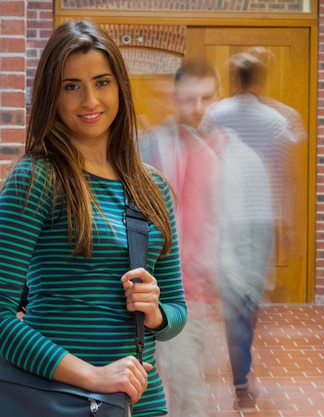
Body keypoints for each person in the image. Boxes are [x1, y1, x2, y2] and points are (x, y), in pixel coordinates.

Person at [0, 20, 187, 417]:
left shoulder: (151, 187)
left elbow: (176, 311)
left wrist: (155, 313)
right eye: (72, 86)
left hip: (141, 402)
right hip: (58, 399)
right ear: (52, 94)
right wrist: (93, 376)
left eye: (102, 82)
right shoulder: (37, 177)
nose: (90, 100)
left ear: (120, 86)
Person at [198, 50, 289, 411]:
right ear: (260, 79)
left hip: (227, 216)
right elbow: (284, 174)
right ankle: (241, 374)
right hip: (262, 218)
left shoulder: (215, 114)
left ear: (235, 80)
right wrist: (289, 223)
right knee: (249, 302)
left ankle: (240, 379)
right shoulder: (275, 119)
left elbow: (202, 159)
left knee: (236, 303)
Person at [140, 58, 223, 417]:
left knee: (189, 392)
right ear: (175, 97)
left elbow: (216, 225)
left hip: (190, 298)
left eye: (206, 99)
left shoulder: (216, 155)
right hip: (142, 294)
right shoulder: (150, 148)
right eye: (190, 99)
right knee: (142, 389)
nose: (198, 108)